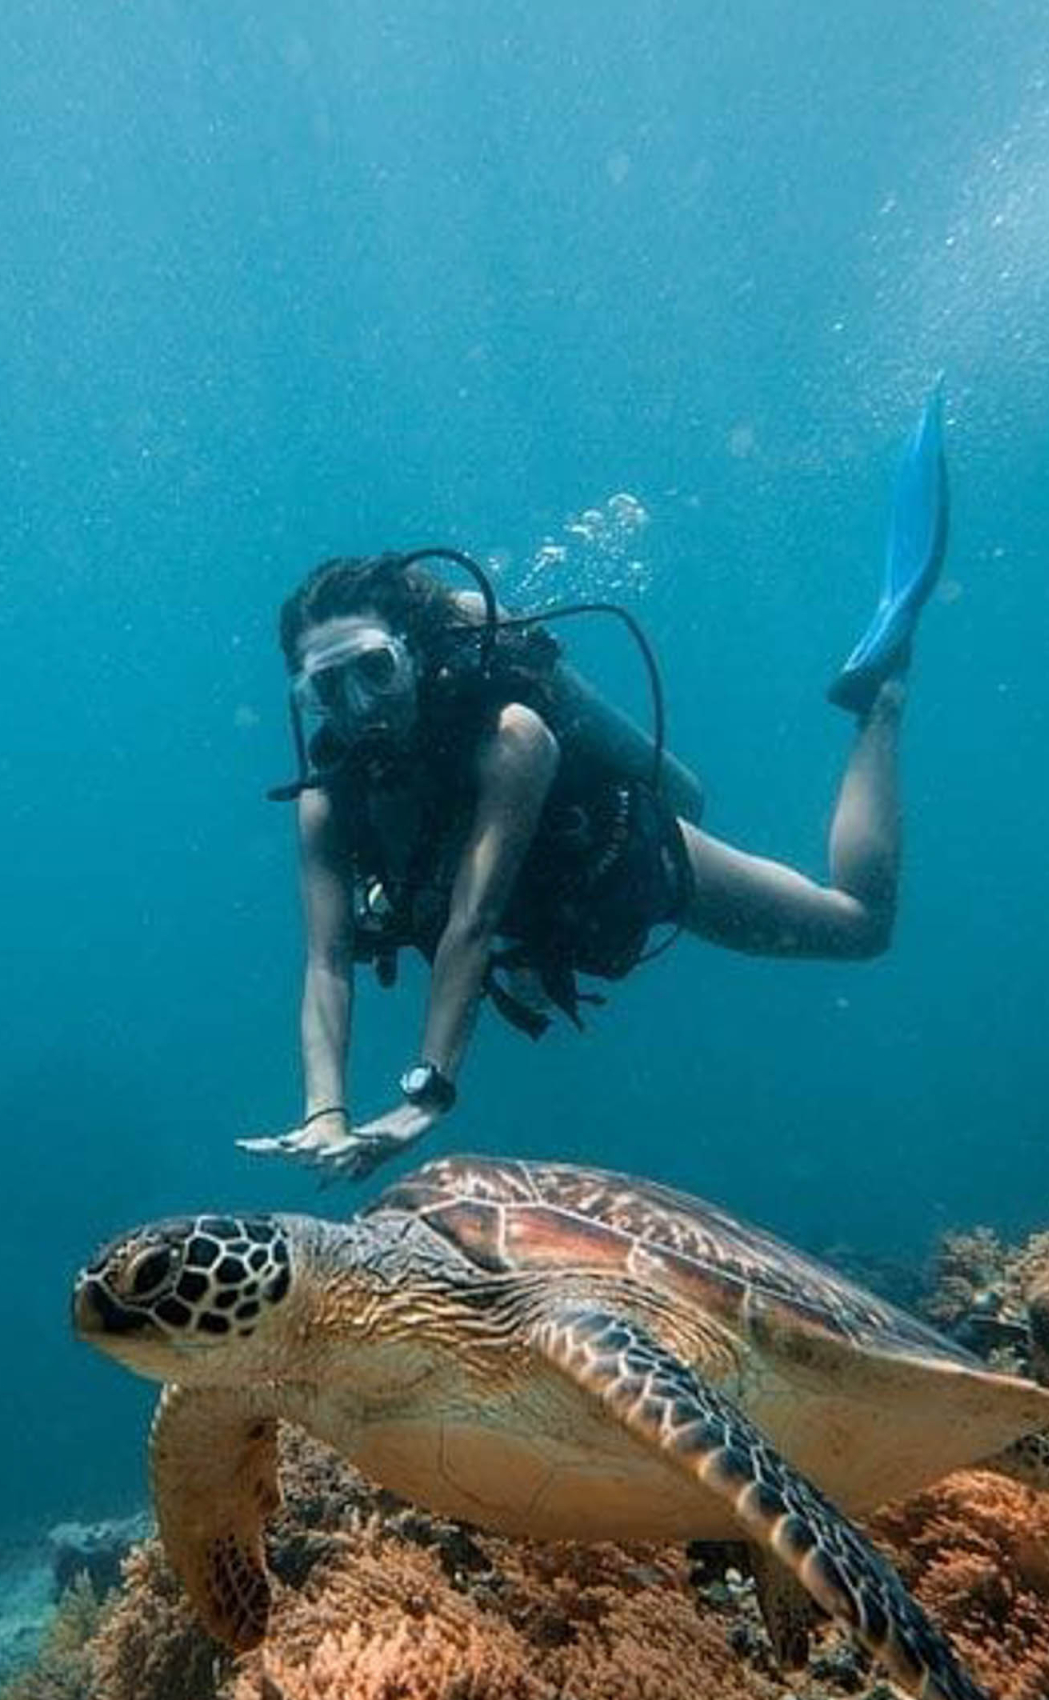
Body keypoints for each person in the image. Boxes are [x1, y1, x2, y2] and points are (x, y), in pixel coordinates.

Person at [239, 384, 949, 1183]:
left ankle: (879, 702)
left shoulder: (513, 737)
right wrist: (322, 1112)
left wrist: (428, 1093)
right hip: (525, 924)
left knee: (858, 926)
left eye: (374, 669)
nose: (360, 707)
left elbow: (474, 920)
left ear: (413, 653)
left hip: (613, 861)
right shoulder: (326, 801)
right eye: (327, 690)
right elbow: (326, 961)